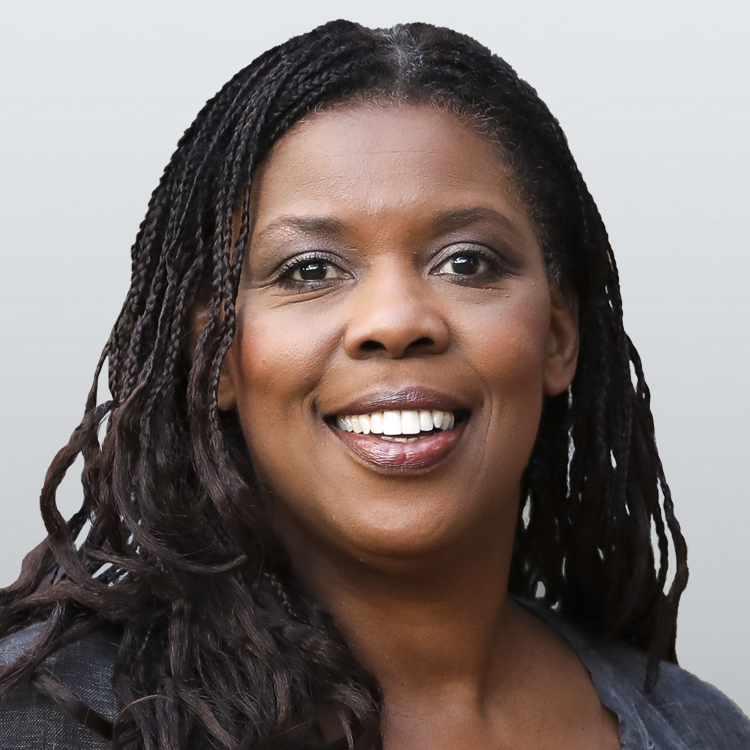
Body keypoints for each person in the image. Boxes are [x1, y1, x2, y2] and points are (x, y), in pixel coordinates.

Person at [0, 19, 747, 750]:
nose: (394, 322)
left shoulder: (699, 730)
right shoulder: (54, 717)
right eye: (309, 270)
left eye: (466, 262)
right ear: (214, 357)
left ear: (558, 336)